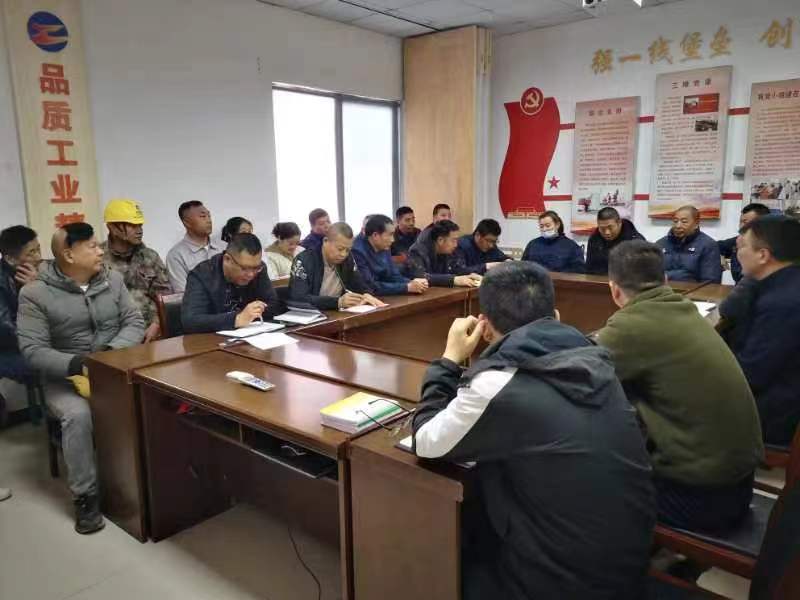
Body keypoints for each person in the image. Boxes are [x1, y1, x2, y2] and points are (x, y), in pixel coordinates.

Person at [412, 262, 654, 600]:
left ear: (485, 328)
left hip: (560, 581)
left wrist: (449, 359)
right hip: (630, 561)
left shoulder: (498, 384)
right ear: (555, 316)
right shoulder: (594, 358)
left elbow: (426, 441)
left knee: (439, 563)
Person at [598, 241, 763, 532]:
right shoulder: (686, 311)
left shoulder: (630, 326)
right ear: (665, 280)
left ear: (614, 290)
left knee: (586, 482)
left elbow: (579, 377)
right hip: (740, 484)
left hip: (701, 500)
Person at [17, 223, 145, 534]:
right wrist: (78, 364)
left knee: (150, 400)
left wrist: (108, 354)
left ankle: (143, 484)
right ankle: (85, 497)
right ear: (68, 255)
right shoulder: (34, 294)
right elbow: (33, 351)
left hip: (113, 369)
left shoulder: (112, 280)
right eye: (92, 246)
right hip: (65, 378)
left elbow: (134, 321)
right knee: (78, 416)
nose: (101, 251)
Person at [721, 216, 800, 445]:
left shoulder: (783, 303)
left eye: (742, 247)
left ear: (763, 255)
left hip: (772, 416)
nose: (737, 254)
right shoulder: (782, 282)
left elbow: (750, 375)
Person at [100, 199, 171, 343]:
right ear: (112, 227)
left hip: (150, 333)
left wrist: (157, 324)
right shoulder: (98, 258)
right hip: (113, 337)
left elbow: (164, 296)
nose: (139, 230)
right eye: (132, 225)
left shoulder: (150, 256)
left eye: (140, 225)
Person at [182, 233, 282, 334]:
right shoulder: (202, 275)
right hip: (212, 339)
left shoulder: (259, 270)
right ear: (227, 259)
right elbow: (191, 321)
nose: (251, 274)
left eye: (255, 268)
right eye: (244, 268)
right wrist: (237, 319)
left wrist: (254, 312)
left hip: (253, 335)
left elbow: (273, 304)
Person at [289, 222, 385, 310]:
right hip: (312, 315)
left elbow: (359, 283)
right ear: (325, 241)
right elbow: (298, 297)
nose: (344, 254)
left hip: (337, 313)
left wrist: (366, 294)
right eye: (340, 249)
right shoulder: (304, 260)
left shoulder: (347, 259)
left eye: (347, 250)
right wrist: (338, 302)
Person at [1, 225, 41, 382]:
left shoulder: (40, 271)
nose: (38, 257)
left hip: (32, 340)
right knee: (47, 365)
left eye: (38, 249)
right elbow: (6, 329)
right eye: (31, 253)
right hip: (7, 349)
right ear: (10, 259)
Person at [352, 215, 429, 296]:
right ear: (375, 236)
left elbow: (393, 275)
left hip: (385, 293)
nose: (393, 240)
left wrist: (412, 282)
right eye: (390, 235)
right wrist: (406, 287)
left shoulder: (384, 245)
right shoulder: (357, 251)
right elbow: (370, 286)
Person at [166, 201, 222, 292]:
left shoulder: (224, 247)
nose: (209, 220)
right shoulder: (176, 255)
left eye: (209, 216)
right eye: (203, 216)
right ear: (187, 223)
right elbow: (182, 294)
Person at [406, 220, 482, 288]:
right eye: (453, 240)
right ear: (440, 240)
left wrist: (470, 275)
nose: (456, 245)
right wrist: (454, 280)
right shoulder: (417, 251)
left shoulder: (447, 250)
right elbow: (421, 277)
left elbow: (456, 269)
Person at [656, 205, 722, 283]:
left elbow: (711, 281)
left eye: (684, 222)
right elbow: (651, 275)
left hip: (695, 290)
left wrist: (668, 276)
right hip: (663, 289)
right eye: (675, 221)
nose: (678, 226)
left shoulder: (708, 245)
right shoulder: (661, 244)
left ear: (696, 224)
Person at [717, 203, 770, 283]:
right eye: (740, 222)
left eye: (745, 222)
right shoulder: (738, 241)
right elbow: (714, 246)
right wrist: (719, 255)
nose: (741, 226)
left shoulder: (774, 246)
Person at [585, 207, 645, 275]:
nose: (607, 232)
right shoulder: (594, 239)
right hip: (599, 280)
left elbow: (642, 273)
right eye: (602, 228)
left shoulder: (637, 241)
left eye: (610, 227)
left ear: (619, 223)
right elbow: (589, 269)